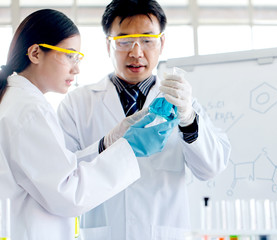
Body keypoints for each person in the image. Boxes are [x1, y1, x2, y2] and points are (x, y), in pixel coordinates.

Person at [57, 0, 231, 239]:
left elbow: (210, 168)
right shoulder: (77, 104)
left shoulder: (182, 102)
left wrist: (189, 118)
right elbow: (63, 175)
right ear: (108, 46)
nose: (136, 52)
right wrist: (106, 144)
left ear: (161, 43)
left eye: (147, 40)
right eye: (124, 41)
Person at [0, 8, 177, 240]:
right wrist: (128, 148)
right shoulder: (29, 110)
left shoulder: (19, 100)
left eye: (78, 58)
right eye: (69, 56)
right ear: (35, 53)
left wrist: (109, 142)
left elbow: (61, 171)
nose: (76, 68)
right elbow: (68, 194)